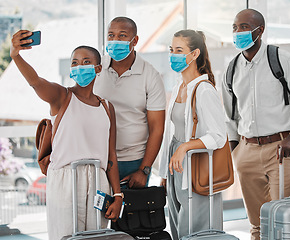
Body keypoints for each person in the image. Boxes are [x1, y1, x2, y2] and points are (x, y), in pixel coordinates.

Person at [10, 30, 123, 240]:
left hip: (99, 180)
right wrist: (16, 55)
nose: (80, 67)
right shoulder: (61, 97)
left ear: (98, 68)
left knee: (97, 237)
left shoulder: (107, 107)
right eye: (75, 63)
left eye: (86, 61)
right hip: (66, 179)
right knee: (66, 236)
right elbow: (35, 81)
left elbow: (111, 157)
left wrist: (117, 196)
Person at [221, 9, 290, 240]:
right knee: (256, 224)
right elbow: (230, 117)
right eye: (235, 27)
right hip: (246, 152)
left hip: (281, 150)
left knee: (283, 220)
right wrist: (234, 152)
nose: (238, 32)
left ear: (260, 30)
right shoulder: (232, 68)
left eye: (245, 27)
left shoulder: (281, 59)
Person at [159, 30, 226, 240]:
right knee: (178, 226)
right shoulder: (179, 86)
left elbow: (218, 137)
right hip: (177, 165)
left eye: (179, 50)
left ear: (195, 54)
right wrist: (164, 173)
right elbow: (171, 132)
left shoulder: (204, 90)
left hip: (196, 167)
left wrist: (185, 147)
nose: (173, 55)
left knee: (197, 229)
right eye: (171, 50)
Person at [94, 16, 166, 189]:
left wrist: (144, 170)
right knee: (97, 215)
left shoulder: (151, 76)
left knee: (130, 215)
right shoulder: (97, 68)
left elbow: (157, 128)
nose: (115, 40)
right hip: (98, 158)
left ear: (135, 41)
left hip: (133, 162)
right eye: (111, 35)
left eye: (122, 36)